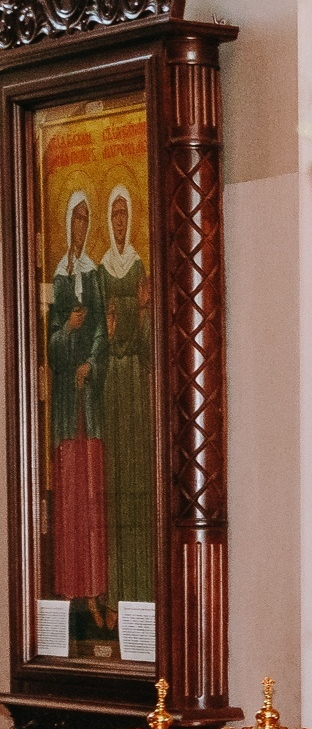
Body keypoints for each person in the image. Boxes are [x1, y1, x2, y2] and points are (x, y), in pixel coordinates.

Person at [47, 189, 107, 609]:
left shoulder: (95, 273)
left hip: (90, 397)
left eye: (87, 219)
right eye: (76, 219)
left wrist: (90, 363)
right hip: (67, 403)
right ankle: (70, 589)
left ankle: (95, 589)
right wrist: (66, 328)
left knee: (91, 490)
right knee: (68, 491)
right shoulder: (59, 277)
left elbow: (104, 327)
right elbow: (49, 344)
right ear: (68, 223)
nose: (81, 226)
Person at [99, 183, 153, 609]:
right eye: (113, 216)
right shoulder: (101, 271)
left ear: (130, 219)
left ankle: (141, 591)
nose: (119, 222)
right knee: (114, 481)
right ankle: (116, 593)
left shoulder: (138, 269)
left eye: (124, 215)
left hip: (134, 378)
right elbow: (99, 335)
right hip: (112, 384)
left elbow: (150, 339)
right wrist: (109, 331)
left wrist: (144, 310)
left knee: (138, 479)